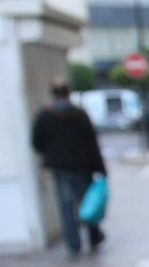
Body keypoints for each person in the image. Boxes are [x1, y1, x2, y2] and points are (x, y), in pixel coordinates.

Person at [30, 78, 107, 257]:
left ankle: (74, 245)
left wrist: (50, 154)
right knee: (88, 203)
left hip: (61, 168)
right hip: (82, 166)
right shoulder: (79, 115)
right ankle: (93, 236)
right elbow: (92, 143)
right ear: (68, 92)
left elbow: (36, 142)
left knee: (66, 206)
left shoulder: (45, 115)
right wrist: (100, 167)